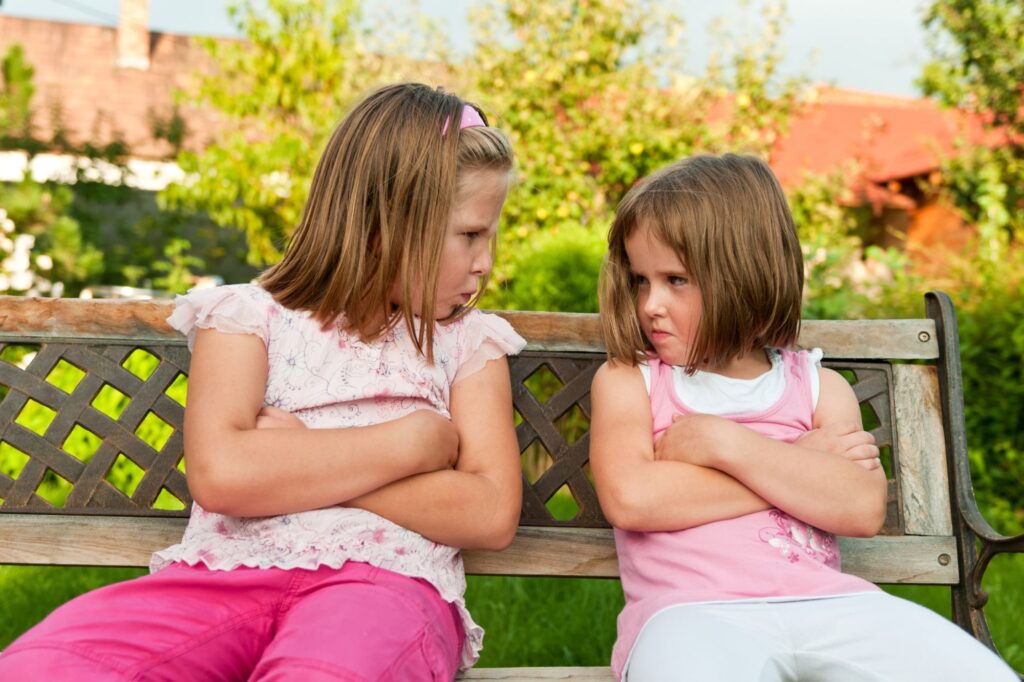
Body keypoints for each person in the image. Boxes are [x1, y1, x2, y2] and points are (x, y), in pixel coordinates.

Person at [0, 83, 526, 681]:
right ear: (389, 223)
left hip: (383, 586)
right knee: (49, 666)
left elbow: (489, 512)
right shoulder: (249, 318)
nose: (486, 262)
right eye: (471, 235)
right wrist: (411, 444)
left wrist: (299, 458)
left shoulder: (467, 342)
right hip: (223, 575)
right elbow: (224, 476)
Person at [590, 153, 1016, 681]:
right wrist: (798, 465)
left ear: (744, 276)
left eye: (675, 280)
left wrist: (729, 446)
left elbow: (860, 507)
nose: (650, 303)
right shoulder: (631, 381)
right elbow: (632, 498)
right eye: (639, 281)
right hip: (691, 613)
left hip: (831, 606)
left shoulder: (816, 386)